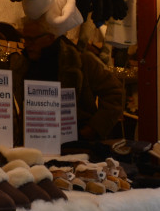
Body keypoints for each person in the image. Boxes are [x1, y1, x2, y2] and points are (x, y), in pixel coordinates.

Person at [10, 14, 126, 142]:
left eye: (32, 39)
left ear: (50, 38)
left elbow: (115, 93)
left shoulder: (82, 62)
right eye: (25, 38)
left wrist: (92, 129)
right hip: (34, 144)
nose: (27, 45)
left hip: (76, 147)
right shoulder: (22, 66)